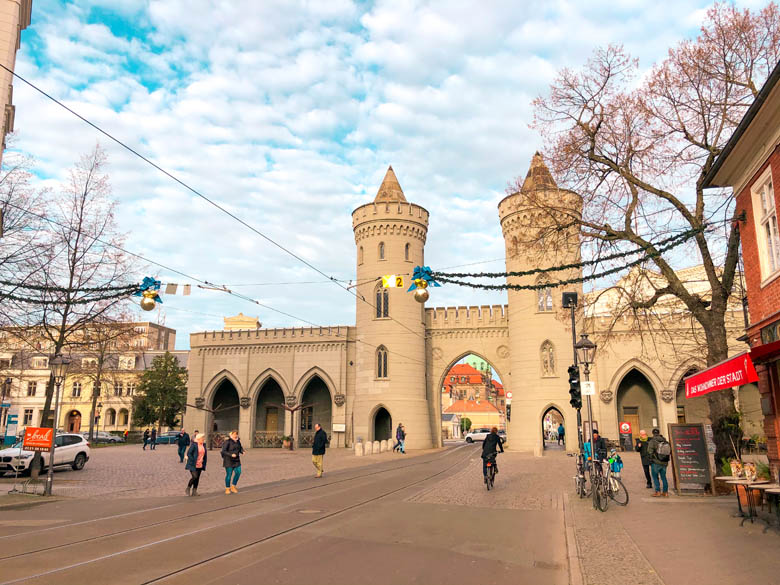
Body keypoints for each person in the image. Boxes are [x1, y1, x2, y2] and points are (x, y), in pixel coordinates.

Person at [647, 428, 670, 497]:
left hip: (656, 462)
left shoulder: (653, 441)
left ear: (653, 433)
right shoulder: (665, 440)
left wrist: (651, 459)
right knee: (664, 477)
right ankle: (665, 492)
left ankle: (658, 491)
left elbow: (649, 451)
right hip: (665, 462)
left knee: (655, 477)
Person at [221, 430, 244, 494]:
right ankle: (227, 488)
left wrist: (242, 451)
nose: (235, 435)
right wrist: (231, 454)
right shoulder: (227, 442)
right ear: (231, 435)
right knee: (229, 474)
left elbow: (240, 448)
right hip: (228, 460)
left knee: (238, 472)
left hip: (236, 460)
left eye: (236, 434)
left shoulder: (238, 441)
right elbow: (223, 451)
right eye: (234, 434)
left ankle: (233, 486)